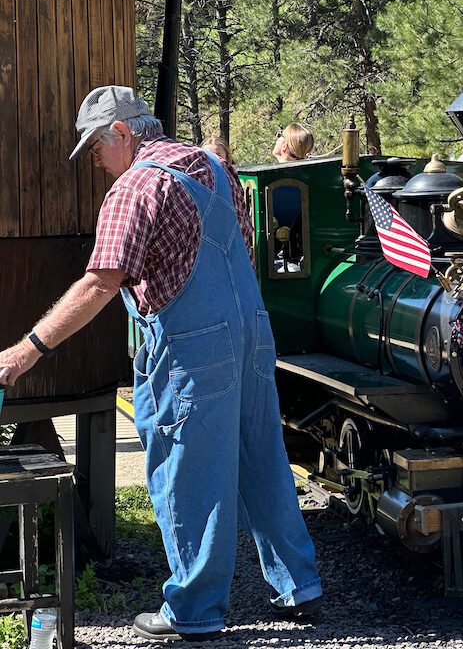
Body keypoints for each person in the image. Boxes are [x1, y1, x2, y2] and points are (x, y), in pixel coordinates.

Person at [0, 86, 323, 641]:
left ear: (122, 133)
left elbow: (99, 285)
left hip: (192, 346)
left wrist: (25, 350)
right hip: (251, 332)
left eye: (97, 148)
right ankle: (300, 584)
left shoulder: (136, 186)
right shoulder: (215, 168)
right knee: (261, 457)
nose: (97, 163)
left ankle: (194, 611)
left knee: (186, 470)